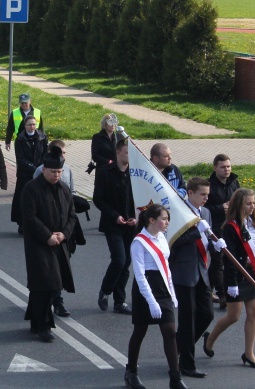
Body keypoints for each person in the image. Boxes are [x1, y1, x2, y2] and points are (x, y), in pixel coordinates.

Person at [125, 204, 187, 389]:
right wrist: (151, 302)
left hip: (162, 287)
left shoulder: (161, 237)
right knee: (140, 331)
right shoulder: (139, 242)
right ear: (152, 220)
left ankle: (175, 378)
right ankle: (131, 372)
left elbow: (166, 267)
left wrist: (172, 293)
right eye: (164, 219)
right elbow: (140, 274)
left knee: (169, 331)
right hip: (145, 289)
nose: (167, 222)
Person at [21, 146, 77, 343]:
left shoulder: (63, 189)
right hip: (39, 244)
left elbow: (71, 215)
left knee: (50, 284)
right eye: (53, 172)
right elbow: (29, 218)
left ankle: (36, 320)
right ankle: (44, 325)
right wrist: (47, 236)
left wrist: (64, 234)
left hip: (59, 243)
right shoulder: (31, 189)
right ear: (44, 169)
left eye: (60, 172)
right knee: (46, 283)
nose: (57, 175)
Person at [204, 189, 255, 369]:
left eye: (253, 203)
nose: (252, 206)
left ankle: (249, 353)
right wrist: (231, 283)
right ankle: (210, 339)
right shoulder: (230, 226)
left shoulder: (253, 223)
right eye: (248, 203)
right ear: (239, 204)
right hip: (236, 276)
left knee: (254, 312)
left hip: (250, 273)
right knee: (233, 316)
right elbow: (229, 258)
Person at [170, 177, 222, 378]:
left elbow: (206, 237)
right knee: (187, 320)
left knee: (207, 314)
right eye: (202, 195)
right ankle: (186, 364)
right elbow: (173, 242)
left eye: (207, 195)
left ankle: (177, 346)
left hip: (202, 271)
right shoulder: (178, 212)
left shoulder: (206, 212)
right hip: (183, 272)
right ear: (190, 193)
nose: (206, 199)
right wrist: (194, 234)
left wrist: (215, 245)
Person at [93, 140, 135, 315]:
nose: (129, 156)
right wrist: (114, 215)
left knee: (126, 263)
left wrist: (137, 218)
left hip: (131, 225)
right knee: (119, 259)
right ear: (118, 153)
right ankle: (105, 290)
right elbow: (98, 199)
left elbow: (143, 200)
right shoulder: (105, 172)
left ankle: (120, 301)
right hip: (113, 224)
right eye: (127, 152)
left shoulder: (136, 174)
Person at [204, 154, 240, 309]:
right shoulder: (209, 185)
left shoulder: (234, 182)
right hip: (215, 229)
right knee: (218, 261)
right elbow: (203, 209)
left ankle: (207, 290)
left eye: (229, 166)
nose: (227, 170)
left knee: (229, 260)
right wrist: (220, 208)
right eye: (223, 167)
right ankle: (222, 294)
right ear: (215, 167)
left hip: (232, 228)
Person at [11, 116, 47, 235]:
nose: (32, 127)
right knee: (23, 198)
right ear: (25, 126)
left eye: (33, 124)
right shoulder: (20, 139)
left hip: (41, 173)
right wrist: (34, 168)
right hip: (25, 174)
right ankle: (22, 223)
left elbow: (45, 153)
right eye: (29, 125)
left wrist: (41, 167)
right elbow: (20, 158)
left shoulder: (42, 137)